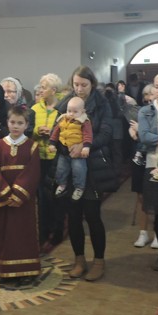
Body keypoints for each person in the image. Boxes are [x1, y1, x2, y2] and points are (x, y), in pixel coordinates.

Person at [55, 66, 114, 282]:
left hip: (93, 165)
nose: (79, 89)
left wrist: (85, 145)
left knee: (92, 215)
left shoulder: (101, 103)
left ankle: (99, 261)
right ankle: (79, 260)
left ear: (92, 84)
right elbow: (57, 132)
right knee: (73, 216)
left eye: (84, 85)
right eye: (76, 84)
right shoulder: (66, 103)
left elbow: (106, 133)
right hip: (71, 166)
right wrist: (65, 147)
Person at [0, 106, 41, 285]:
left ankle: (27, 270)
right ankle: (5, 270)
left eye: (20, 123)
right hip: (5, 201)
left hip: (23, 201)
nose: (15, 126)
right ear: (7, 123)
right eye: (12, 122)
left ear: (26, 125)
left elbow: (32, 172)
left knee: (24, 233)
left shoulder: (32, 146)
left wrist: (18, 194)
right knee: (5, 233)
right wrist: (6, 194)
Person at [31, 73, 64, 248]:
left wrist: (52, 133)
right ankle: (43, 231)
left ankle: (58, 230)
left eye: (44, 87)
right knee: (42, 197)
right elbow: (29, 129)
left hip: (56, 158)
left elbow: (67, 131)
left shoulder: (62, 109)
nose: (41, 90)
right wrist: (37, 131)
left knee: (56, 196)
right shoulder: (35, 109)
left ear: (53, 90)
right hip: (38, 157)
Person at [48, 96, 92, 201]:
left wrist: (86, 147)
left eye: (75, 112)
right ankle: (61, 184)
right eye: (69, 111)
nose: (71, 114)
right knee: (61, 169)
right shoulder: (62, 119)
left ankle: (79, 187)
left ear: (82, 111)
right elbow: (55, 132)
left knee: (79, 170)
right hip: (63, 151)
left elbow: (88, 135)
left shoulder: (84, 121)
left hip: (78, 152)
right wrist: (52, 143)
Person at [130, 83, 157, 250]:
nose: (148, 98)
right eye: (145, 95)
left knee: (157, 197)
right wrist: (135, 131)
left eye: (150, 94)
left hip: (155, 156)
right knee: (141, 196)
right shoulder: (140, 111)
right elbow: (133, 131)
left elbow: (155, 135)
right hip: (140, 156)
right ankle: (143, 232)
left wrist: (141, 131)